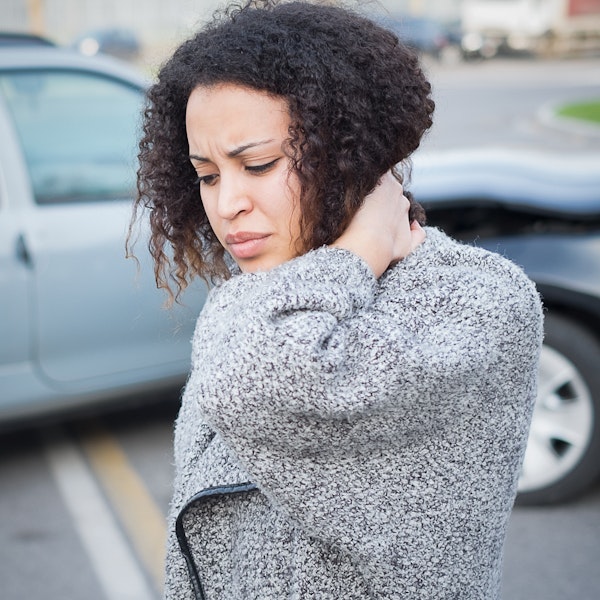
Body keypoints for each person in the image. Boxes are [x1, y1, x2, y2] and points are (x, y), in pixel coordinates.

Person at [131, 1, 544, 598]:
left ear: (351, 150)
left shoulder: (477, 299)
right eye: (209, 174)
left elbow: (259, 379)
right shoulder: (282, 288)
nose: (226, 205)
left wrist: (363, 248)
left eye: (258, 164)